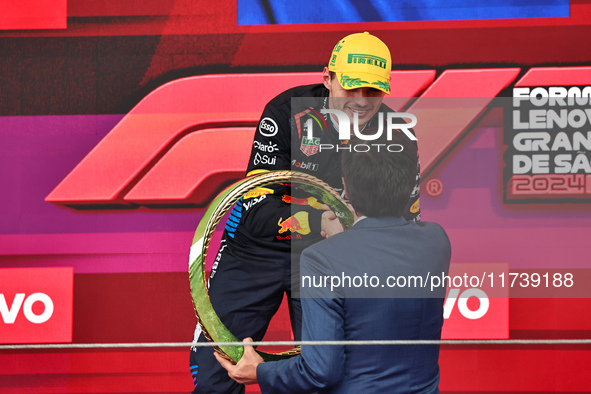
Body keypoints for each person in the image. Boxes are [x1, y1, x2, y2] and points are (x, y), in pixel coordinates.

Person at [190, 31, 421, 393]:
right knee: (215, 374)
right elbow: (255, 206)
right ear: (327, 78)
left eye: (372, 92)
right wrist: (321, 221)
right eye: (351, 89)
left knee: (323, 376)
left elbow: (405, 224)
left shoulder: (398, 137)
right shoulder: (285, 111)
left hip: (328, 260)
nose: (362, 102)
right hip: (254, 251)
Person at [215, 132, 451, 393]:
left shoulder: (322, 258)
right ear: (410, 185)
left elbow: (320, 371)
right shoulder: (436, 241)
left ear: (344, 187)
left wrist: (260, 371)